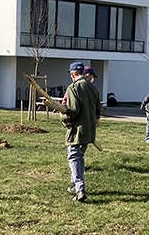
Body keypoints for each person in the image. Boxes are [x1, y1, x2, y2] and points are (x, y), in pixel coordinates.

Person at [59, 62, 101, 202]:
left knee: (74, 158)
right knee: (79, 157)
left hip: (77, 130)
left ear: (72, 74)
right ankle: (74, 185)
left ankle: (79, 189)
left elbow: (74, 110)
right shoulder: (93, 87)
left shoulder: (73, 87)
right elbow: (97, 109)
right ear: (82, 73)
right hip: (89, 130)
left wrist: (64, 117)